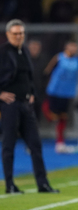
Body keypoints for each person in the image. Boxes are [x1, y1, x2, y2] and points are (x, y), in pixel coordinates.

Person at [0, 19, 59, 194]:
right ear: (8, 34)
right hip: (10, 105)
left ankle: (43, 184)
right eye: (15, 33)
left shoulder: (24, 51)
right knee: (8, 145)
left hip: (26, 105)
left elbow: (28, 76)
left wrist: (31, 93)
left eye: (21, 33)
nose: (19, 36)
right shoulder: (3, 52)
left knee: (35, 145)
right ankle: (9, 184)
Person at [44, 41, 78, 153]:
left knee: (63, 117)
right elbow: (48, 71)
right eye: (71, 46)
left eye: (75, 47)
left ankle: (60, 142)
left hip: (68, 93)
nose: (73, 49)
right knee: (51, 114)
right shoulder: (59, 58)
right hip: (54, 91)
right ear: (66, 47)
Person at [28, 39, 49, 122]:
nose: (35, 49)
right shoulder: (24, 59)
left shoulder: (44, 60)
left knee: (37, 116)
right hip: (25, 93)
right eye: (33, 47)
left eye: (36, 47)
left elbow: (47, 75)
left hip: (40, 93)